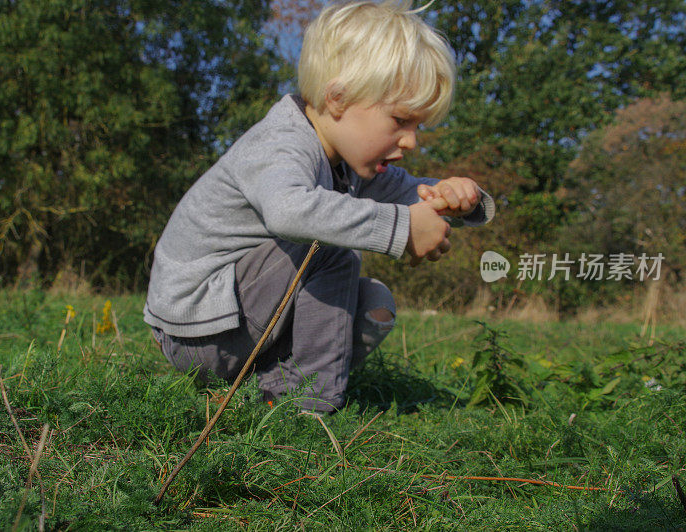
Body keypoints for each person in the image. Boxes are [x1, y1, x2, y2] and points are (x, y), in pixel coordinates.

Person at [144, 0, 495, 412]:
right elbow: (289, 210)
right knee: (327, 244)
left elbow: (411, 192)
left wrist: (456, 197)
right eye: (401, 121)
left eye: (418, 127)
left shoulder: (351, 163)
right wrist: (401, 230)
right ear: (339, 99)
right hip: (196, 329)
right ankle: (311, 406)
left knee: (375, 305)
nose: (412, 141)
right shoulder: (282, 142)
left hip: (241, 323)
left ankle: (275, 393)